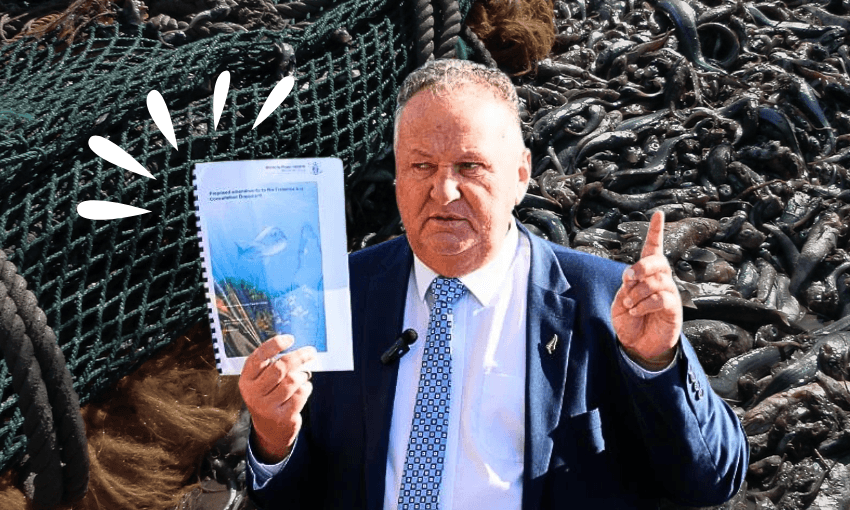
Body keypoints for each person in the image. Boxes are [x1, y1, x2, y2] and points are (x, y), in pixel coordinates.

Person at [238, 59, 749, 509]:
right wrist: (274, 436)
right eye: (421, 166)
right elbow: (294, 497)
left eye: (470, 166)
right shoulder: (334, 294)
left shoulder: (605, 300)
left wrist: (656, 363)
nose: (444, 190)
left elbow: (712, 481)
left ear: (521, 174)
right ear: (396, 176)